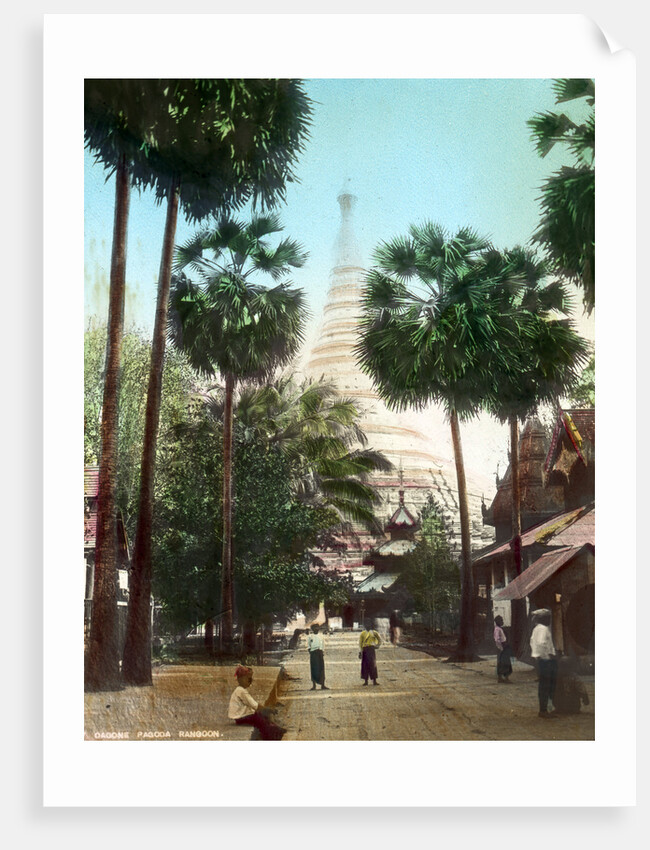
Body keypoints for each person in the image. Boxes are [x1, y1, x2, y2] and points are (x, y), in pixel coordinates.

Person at [227, 665, 286, 740]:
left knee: (261, 716)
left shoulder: (240, 690)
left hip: (240, 717)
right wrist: (269, 709)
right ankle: (271, 735)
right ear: (239, 679)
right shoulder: (241, 691)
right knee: (260, 720)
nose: (250, 681)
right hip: (240, 717)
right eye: (248, 679)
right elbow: (255, 705)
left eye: (251, 678)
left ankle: (275, 729)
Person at [530, 609, 558, 718]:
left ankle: (544, 709)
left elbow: (532, 642)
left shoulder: (536, 629)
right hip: (546, 660)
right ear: (544, 618)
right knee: (548, 685)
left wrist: (537, 656)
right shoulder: (544, 629)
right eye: (548, 618)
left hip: (540, 660)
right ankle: (545, 710)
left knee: (543, 685)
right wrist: (547, 655)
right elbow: (542, 644)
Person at [307, 623, 329, 690]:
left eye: (317, 627)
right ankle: (314, 685)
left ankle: (323, 685)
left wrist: (322, 651)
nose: (316, 629)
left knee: (321, 668)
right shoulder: (310, 636)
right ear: (312, 629)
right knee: (313, 668)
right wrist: (310, 652)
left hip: (320, 652)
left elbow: (323, 644)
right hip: (313, 653)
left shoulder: (321, 636)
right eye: (314, 628)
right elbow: (308, 645)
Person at [359, 622, 382, 686]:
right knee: (365, 665)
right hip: (365, 649)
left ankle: (374, 681)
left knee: (373, 665)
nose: (367, 626)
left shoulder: (374, 632)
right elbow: (360, 643)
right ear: (365, 626)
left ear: (371, 625)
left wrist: (377, 645)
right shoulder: (363, 633)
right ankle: (366, 681)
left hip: (371, 649)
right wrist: (360, 651)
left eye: (368, 624)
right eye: (366, 625)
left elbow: (380, 640)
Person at [493, 615, 512, 683]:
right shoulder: (497, 629)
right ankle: (504, 677)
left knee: (503, 662)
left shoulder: (500, 629)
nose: (502, 622)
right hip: (502, 647)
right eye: (501, 620)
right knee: (504, 662)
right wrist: (501, 647)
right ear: (497, 622)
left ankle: (502, 677)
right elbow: (497, 639)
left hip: (504, 646)